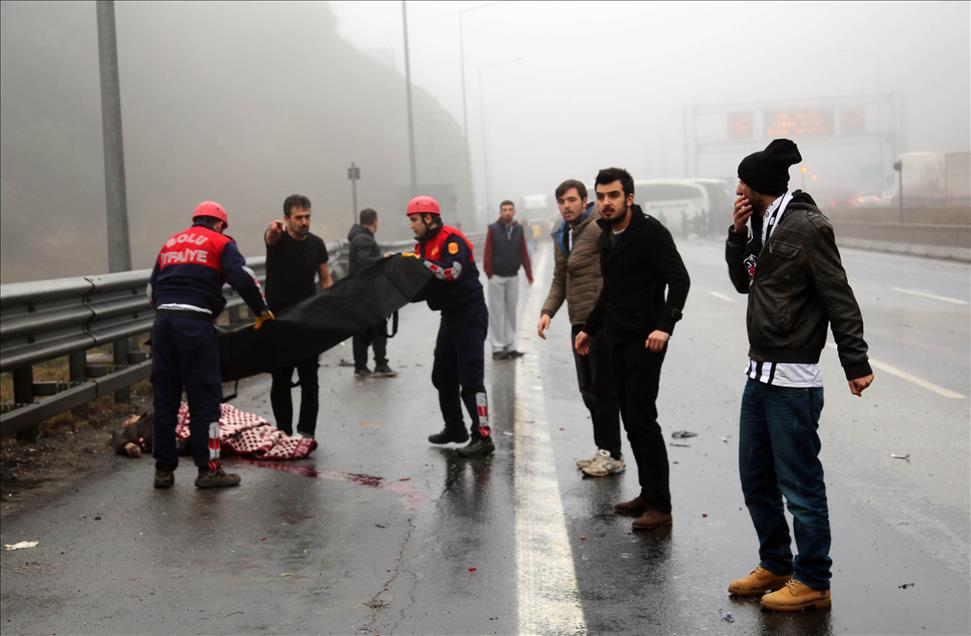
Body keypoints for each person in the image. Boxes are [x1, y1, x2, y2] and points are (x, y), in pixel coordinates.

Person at [724, 139, 874, 612]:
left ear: (758, 186)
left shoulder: (808, 227)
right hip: (758, 373)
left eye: (742, 181)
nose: (738, 188)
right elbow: (742, 280)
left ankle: (813, 580)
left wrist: (856, 362)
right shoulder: (760, 225)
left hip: (793, 379)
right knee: (755, 476)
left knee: (801, 486)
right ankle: (776, 563)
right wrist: (736, 233)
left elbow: (838, 295)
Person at [574, 168, 690, 530]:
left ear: (629, 198)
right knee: (630, 417)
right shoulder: (606, 235)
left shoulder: (650, 232)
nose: (606, 203)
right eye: (602, 196)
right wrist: (589, 330)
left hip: (646, 339)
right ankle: (647, 492)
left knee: (642, 419)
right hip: (616, 337)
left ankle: (661, 506)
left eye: (613, 195)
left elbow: (680, 280)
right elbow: (610, 290)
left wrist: (664, 326)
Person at [149, 201, 273, 489]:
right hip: (194, 326)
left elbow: (151, 287)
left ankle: (163, 470)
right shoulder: (221, 243)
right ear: (220, 224)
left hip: (163, 325)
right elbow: (243, 278)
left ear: (195, 220)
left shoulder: (170, 244)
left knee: (165, 400)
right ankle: (209, 469)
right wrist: (261, 311)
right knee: (205, 399)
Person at [538, 179, 623, 478]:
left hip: (600, 322)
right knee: (587, 390)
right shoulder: (563, 234)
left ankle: (613, 453)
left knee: (603, 389)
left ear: (584, 201)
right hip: (579, 322)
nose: (566, 206)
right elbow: (560, 279)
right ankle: (604, 450)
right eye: (561, 202)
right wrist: (547, 311)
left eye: (572, 200)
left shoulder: (598, 226)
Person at [408, 195, 494, 457]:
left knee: (470, 379)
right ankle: (455, 428)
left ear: (428, 218)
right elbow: (422, 286)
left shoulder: (451, 240)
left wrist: (416, 265)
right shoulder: (421, 248)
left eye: (414, 220)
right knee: (442, 376)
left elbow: (450, 273)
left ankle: (483, 435)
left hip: (470, 314)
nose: (411, 226)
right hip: (450, 316)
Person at [264, 194, 333, 439]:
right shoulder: (277, 238)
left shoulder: (317, 244)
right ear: (287, 219)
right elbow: (270, 237)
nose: (304, 222)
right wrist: (273, 229)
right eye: (298, 218)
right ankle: (283, 431)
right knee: (280, 377)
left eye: (307, 217)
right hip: (279, 321)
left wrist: (329, 306)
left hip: (307, 320)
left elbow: (325, 279)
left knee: (309, 377)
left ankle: (307, 432)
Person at [348, 208, 396, 379]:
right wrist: (384, 259)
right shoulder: (363, 239)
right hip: (366, 292)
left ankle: (363, 366)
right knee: (376, 328)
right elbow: (364, 260)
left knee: (365, 328)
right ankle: (378, 365)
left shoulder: (359, 237)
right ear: (375, 221)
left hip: (361, 291)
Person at [484, 200, 533, 360]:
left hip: (513, 276)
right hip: (496, 276)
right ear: (500, 212)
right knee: (496, 313)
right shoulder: (493, 229)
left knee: (511, 312)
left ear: (514, 212)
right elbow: (488, 251)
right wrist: (489, 272)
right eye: (504, 210)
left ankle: (510, 345)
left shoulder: (518, 229)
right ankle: (498, 347)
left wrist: (528, 272)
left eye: (510, 209)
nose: (507, 212)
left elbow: (523, 250)